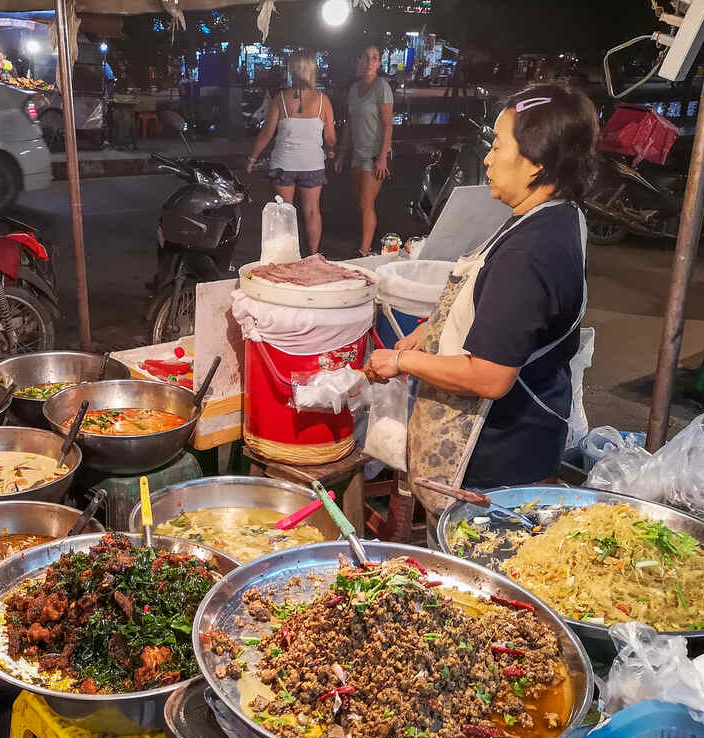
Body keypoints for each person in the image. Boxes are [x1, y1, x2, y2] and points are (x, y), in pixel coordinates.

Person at [364, 84, 597, 517]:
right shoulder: (556, 215)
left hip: (495, 465)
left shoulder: (529, 254)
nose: (487, 158)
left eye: (498, 145)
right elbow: (491, 308)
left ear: (536, 163)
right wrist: (426, 333)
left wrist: (400, 363)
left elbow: (489, 376)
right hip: (525, 440)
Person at [246, 50, 336, 255]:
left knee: (284, 212)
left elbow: (267, 133)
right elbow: (330, 137)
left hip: (282, 165)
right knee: (312, 211)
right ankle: (313, 254)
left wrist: (252, 158)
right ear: (314, 70)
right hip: (312, 164)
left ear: (292, 70)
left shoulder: (280, 99)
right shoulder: (324, 101)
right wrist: (331, 150)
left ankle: (287, 255)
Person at [335, 44, 394, 256]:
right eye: (366, 57)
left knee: (366, 202)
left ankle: (364, 250)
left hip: (374, 155)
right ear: (360, 60)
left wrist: (383, 158)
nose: (370, 62)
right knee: (361, 203)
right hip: (357, 154)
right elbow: (349, 124)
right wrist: (342, 153)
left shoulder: (382, 88)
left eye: (375, 58)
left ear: (379, 63)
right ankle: (365, 245)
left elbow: (388, 124)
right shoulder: (353, 89)